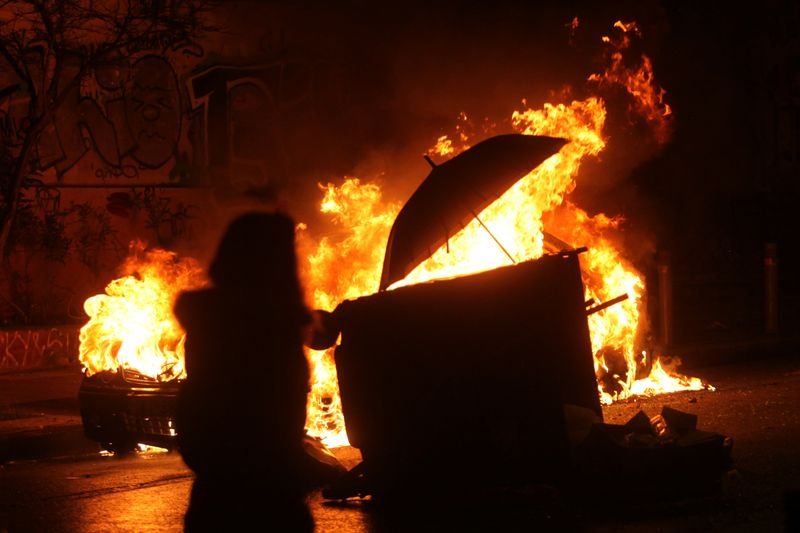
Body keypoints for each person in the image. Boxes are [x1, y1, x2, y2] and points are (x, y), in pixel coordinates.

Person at [174, 211, 314, 532]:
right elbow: (280, 415)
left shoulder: (209, 319)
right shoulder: (273, 331)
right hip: (270, 500)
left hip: (216, 497)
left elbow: (193, 407)